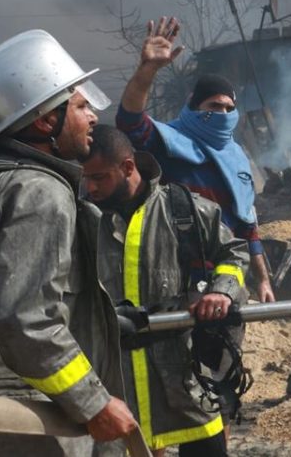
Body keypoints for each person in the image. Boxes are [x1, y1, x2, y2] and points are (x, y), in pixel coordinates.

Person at [0, 30, 136, 455]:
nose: (93, 118)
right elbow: (24, 322)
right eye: (81, 106)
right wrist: (93, 401)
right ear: (46, 121)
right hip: (31, 417)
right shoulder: (39, 192)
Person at [83, 124, 250, 456]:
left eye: (99, 177)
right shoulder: (85, 219)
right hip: (116, 381)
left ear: (127, 167)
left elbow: (234, 252)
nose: (90, 187)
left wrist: (221, 291)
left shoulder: (182, 208)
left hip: (183, 377)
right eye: (86, 178)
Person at [116, 16, 275, 305]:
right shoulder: (167, 141)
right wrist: (147, 70)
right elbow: (130, 121)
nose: (222, 115)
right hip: (172, 279)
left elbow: (247, 225)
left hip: (226, 281)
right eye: (214, 106)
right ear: (193, 105)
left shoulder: (237, 158)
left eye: (228, 108)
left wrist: (263, 280)